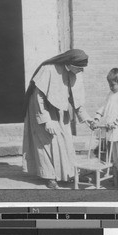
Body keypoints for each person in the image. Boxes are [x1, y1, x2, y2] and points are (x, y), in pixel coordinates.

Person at [22, 49, 92, 189]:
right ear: (69, 64)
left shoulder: (75, 73)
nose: (81, 71)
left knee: (65, 140)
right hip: (41, 109)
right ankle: (49, 177)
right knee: (47, 142)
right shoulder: (47, 70)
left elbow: (75, 99)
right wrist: (46, 120)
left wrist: (87, 119)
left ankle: (66, 174)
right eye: (79, 68)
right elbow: (38, 98)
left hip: (60, 110)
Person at [91, 68, 118, 186]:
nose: (110, 87)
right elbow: (104, 106)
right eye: (109, 84)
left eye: (113, 85)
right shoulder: (111, 94)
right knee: (114, 156)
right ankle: (117, 174)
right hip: (111, 130)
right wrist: (97, 117)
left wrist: (115, 123)